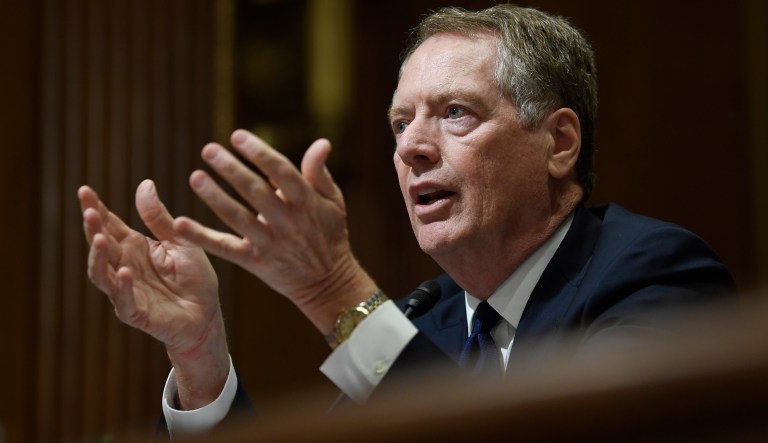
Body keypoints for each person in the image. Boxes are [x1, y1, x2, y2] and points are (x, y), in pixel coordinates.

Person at [78, 3, 737, 436]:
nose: (411, 147)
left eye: (455, 113)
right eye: (400, 123)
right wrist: (201, 355)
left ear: (559, 142)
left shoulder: (655, 276)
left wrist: (332, 288)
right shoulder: (424, 323)